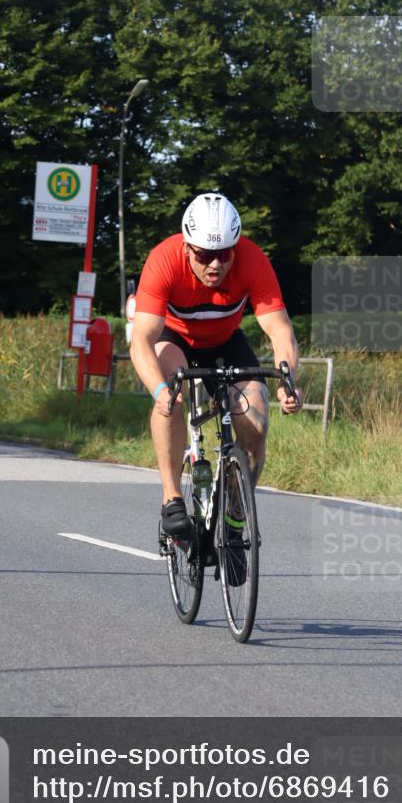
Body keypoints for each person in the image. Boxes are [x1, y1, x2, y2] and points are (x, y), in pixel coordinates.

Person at [130, 192, 302, 558]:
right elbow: (141, 340)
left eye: (224, 254)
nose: (215, 264)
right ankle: (172, 498)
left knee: (256, 417)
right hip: (174, 339)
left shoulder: (252, 260)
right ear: (187, 247)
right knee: (171, 395)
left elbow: (280, 329)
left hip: (225, 340)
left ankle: (235, 522)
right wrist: (159, 390)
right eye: (204, 255)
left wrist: (288, 381)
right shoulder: (164, 260)